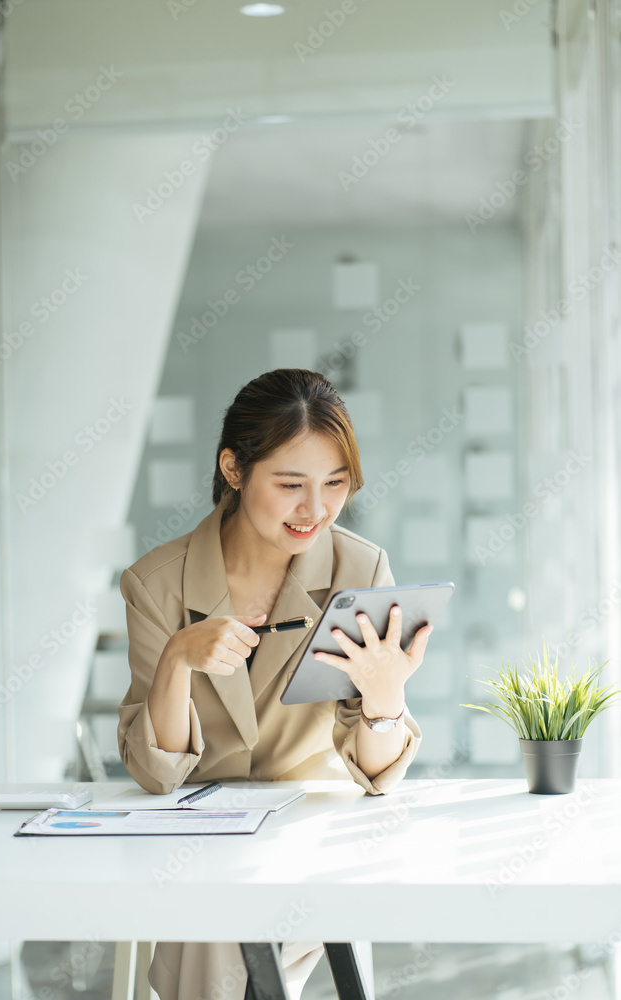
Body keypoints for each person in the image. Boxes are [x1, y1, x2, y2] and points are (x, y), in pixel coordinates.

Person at [117, 368, 431, 1000]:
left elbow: (375, 776)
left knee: (219, 924)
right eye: (291, 485)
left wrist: (384, 699)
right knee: (215, 910)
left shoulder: (360, 567)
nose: (315, 510)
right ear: (234, 470)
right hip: (200, 842)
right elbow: (157, 775)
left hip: (315, 833)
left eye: (335, 484)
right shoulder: (156, 584)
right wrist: (179, 657)